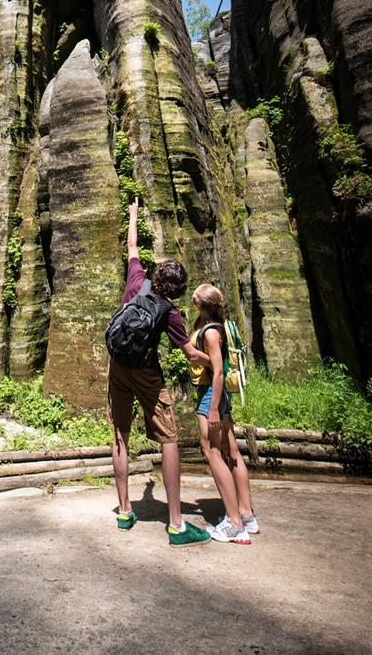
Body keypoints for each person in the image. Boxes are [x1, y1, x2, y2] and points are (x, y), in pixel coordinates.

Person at [108, 199, 212, 546]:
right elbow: (191, 355)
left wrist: (134, 213)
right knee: (169, 440)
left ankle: (124, 511)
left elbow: (132, 246)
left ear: (155, 277)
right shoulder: (171, 313)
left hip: (118, 367)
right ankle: (176, 524)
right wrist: (216, 362)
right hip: (147, 373)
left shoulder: (137, 280)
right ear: (180, 291)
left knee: (120, 434)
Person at [189, 283, 259, 544]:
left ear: (200, 304)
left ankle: (233, 523)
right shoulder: (220, 325)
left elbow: (217, 372)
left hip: (211, 394)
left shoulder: (210, 333)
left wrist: (214, 408)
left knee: (211, 451)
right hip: (217, 395)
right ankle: (246, 515)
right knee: (232, 451)